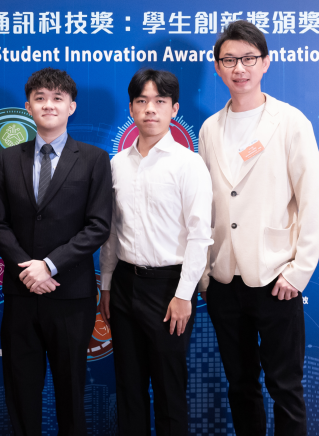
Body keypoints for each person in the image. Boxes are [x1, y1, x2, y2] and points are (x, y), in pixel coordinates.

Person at [198, 20, 319, 435]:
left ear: (265, 63)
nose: (240, 68)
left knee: (285, 386)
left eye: (249, 58)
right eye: (229, 59)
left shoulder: (291, 122)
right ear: (217, 67)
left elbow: (312, 200)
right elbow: (206, 205)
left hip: (276, 276)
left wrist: (299, 270)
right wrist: (204, 271)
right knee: (241, 385)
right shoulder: (210, 129)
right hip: (224, 278)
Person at [0, 67, 112, 436]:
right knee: (21, 390)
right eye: (40, 98)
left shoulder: (93, 159)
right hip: (21, 292)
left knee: (71, 391)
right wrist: (30, 269)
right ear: (28, 106)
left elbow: (98, 226)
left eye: (58, 98)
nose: (49, 105)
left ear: (72, 106)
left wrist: (50, 266)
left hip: (70, 295)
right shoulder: (8, 159)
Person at [98, 69, 213, 436]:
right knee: (128, 386)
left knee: (168, 387)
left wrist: (183, 295)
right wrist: (107, 285)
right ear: (131, 107)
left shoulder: (188, 163)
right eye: (142, 101)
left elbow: (200, 236)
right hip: (125, 286)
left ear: (174, 108)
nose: (151, 109)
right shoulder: (116, 165)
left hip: (169, 289)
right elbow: (112, 233)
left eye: (160, 101)